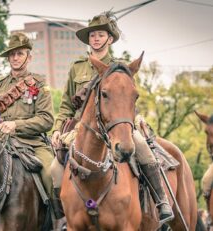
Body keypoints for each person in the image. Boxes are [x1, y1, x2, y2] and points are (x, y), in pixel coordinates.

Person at [50, 12, 174, 224]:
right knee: (54, 169)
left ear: (109, 39)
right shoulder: (77, 67)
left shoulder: (119, 67)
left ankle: (160, 201)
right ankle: (62, 216)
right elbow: (66, 106)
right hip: (80, 129)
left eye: (100, 35)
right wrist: (57, 129)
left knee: (143, 149)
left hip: (115, 125)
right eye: (92, 35)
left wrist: (136, 119)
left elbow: (128, 100)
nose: (96, 39)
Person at [0, 32, 64, 221]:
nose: (15, 58)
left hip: (33, 144)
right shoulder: (0, 85)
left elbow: (46, 120)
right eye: (12, 54)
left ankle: (59, 220)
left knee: (52, 174)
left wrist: (16, 125)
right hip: (2, 143)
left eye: (19, 54)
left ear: (29, 57)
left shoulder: (39, 83)